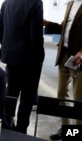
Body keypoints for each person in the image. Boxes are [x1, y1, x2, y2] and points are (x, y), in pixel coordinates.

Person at [0, 0, 45, 134]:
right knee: (27, 97)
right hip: (30, 61)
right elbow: (35, 35)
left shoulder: (6, 3)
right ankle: (21, 130)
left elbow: (0, 29)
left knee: (10, 94)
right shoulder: (35, 3)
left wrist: (10, 48)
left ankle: (7, 126)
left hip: (11, 59)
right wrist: (39, 58)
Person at [43, 0, 82, 140]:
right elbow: (65, 27)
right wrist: (49, 24)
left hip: (79, 60)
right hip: (64, 55)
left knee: (79, 99)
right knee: (61, 94)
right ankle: (66, 129)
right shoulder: (71, 3)